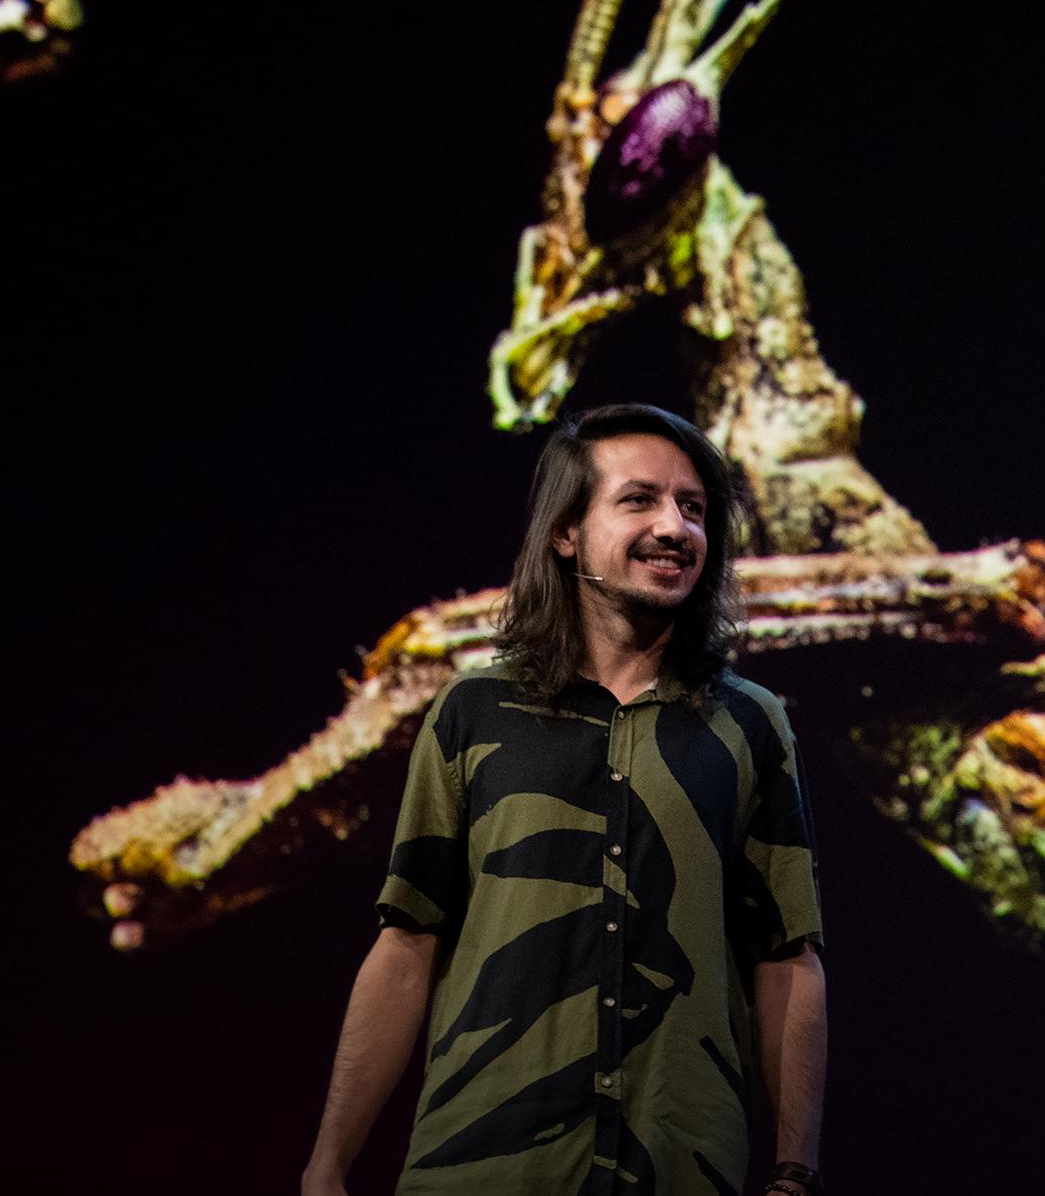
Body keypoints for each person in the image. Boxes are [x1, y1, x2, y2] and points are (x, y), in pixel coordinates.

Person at [301, 403, 829, 1196]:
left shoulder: (750, 725)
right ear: (566, 532)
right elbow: (407, 944)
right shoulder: (471, 712)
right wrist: (328, 1164)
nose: (675, 527)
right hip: (483, 1164)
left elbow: (786, 955)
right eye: (639, 500)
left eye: (693, 508)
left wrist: (796, 1169)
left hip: (678, 1165)